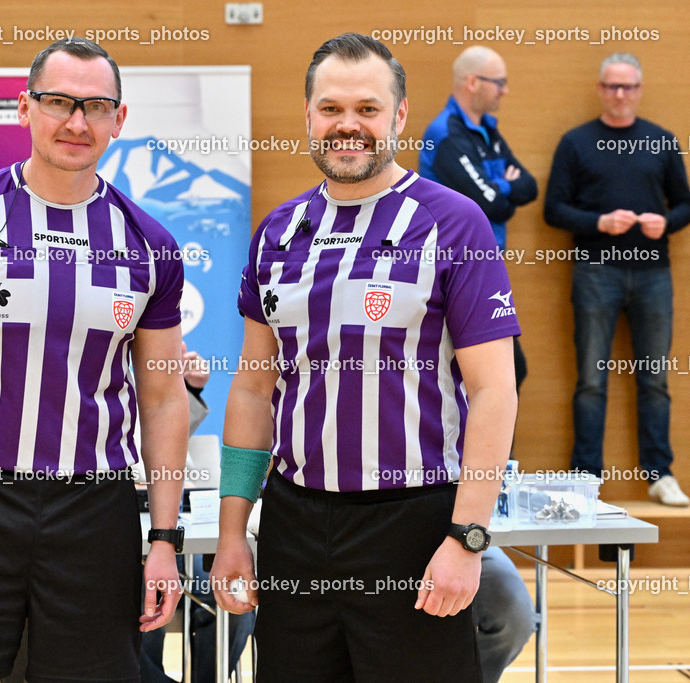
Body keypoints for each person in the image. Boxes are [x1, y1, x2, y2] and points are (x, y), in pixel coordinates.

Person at [0, 37, 189, 683]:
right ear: (25, 109)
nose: (77, 122)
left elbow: (162, 399)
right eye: (58, 102)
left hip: (94, 504)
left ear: (118, 120)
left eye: (96, 106)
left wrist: (164, 540)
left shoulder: (149, 244)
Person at [210, 33, 519, 681]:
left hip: (414, 518)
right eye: (330, 108)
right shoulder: (279, 231)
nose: (347, 124)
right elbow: (251, 389)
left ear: (400, 116)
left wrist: (467, 539)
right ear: (308, 116)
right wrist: (233, 531)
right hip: (295, 520)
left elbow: (494, 390)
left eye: (368, 109)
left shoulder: (452, 224)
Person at [420, 46, 538, 681]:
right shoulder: (445, 136)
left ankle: (487, 484)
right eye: (498, 82)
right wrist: (502, 189)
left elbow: (525, 187)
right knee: (478, 381)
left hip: (487, 276)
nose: (505, 92)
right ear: (472, 82)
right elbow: (491, 197)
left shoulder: (487, 129)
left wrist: (504, 189)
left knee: (507, 378)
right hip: (451, 279)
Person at [544, 52, 690, 507]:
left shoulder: (662, 141)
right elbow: (554, 209)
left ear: (640, 89)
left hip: (653, 276)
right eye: (612, 86)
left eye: (627, 86)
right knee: (590, 378)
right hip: (594, 273)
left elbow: (685, 204)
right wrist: (599, 222)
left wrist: (666, 223)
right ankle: (585, 480)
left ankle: (659, 474)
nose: (620, 94)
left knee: (654, 378)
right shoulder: (576, 142)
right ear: (601, 89)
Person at [140, 345, 256, 683]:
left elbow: (165, 434)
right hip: (125, 541)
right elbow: (141, 441)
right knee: (146, 599)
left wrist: (187, 389)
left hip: (181, 541)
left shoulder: (170, 390)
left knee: (234, 598)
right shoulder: (107, 383)